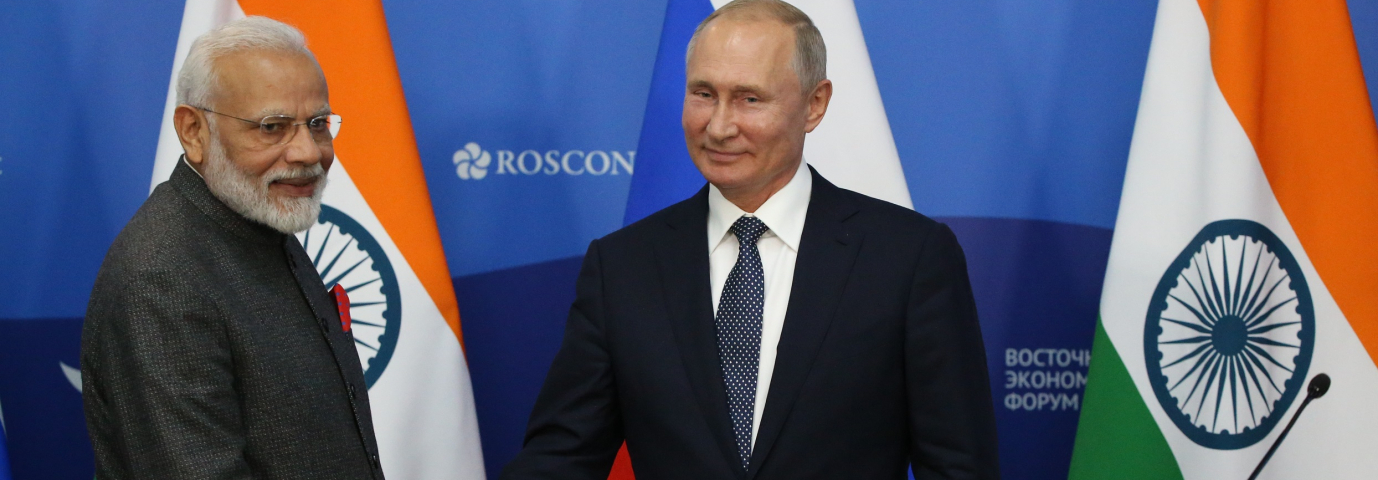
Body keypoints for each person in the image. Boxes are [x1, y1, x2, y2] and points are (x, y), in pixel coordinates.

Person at [502, 1, 1000, 478]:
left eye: (749, 98)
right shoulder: (623, 266)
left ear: (814, 104)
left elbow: (958, 466)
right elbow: (560, 458)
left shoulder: (908, 258)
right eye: (703, 94)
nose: (718, 126)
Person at [81, 17, 384, 479]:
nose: (307, 152)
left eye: (318, 124)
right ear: (193, 132)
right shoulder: (161, 279)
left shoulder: (256, 217)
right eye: (272, 127)